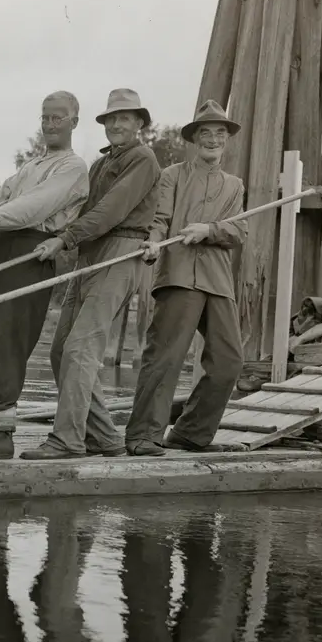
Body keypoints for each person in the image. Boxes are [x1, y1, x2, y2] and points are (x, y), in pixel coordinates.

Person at [0, 92, 91, 461]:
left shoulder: (73, 168)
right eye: (45, 118)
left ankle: (0, 435)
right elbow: (4, 195)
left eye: (58, 118)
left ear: (74, 122)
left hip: (32, 249)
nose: (50, 125)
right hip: (5, 246)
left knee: (7, 338)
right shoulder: (32, 165)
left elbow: (32, 208)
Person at [20, 88, 161, 461]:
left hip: (120, 252)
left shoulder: (142, 158)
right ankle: (104, 437)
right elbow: (78, 208)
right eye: (111, 118)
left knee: (80, 348)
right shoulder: (99, 165)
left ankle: (67, 440)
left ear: (139, 123)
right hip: (90, 254)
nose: (116, 124)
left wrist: (64, 239)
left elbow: (111, 210)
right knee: (59, 351)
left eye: (124, 118)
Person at [125, 99, 248, 455]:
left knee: (228, 362)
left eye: (220, 133)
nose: (213, 139)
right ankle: (143, 436)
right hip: (178, 276)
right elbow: (160, 220)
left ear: (227, 139)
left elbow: (238, 231)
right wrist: (153, 242)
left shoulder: (235, 185)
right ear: (194, 139)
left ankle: (191, 433)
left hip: (218, 281)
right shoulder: (172, 175)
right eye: (205, 133)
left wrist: (209, 230)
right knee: (166, 358)